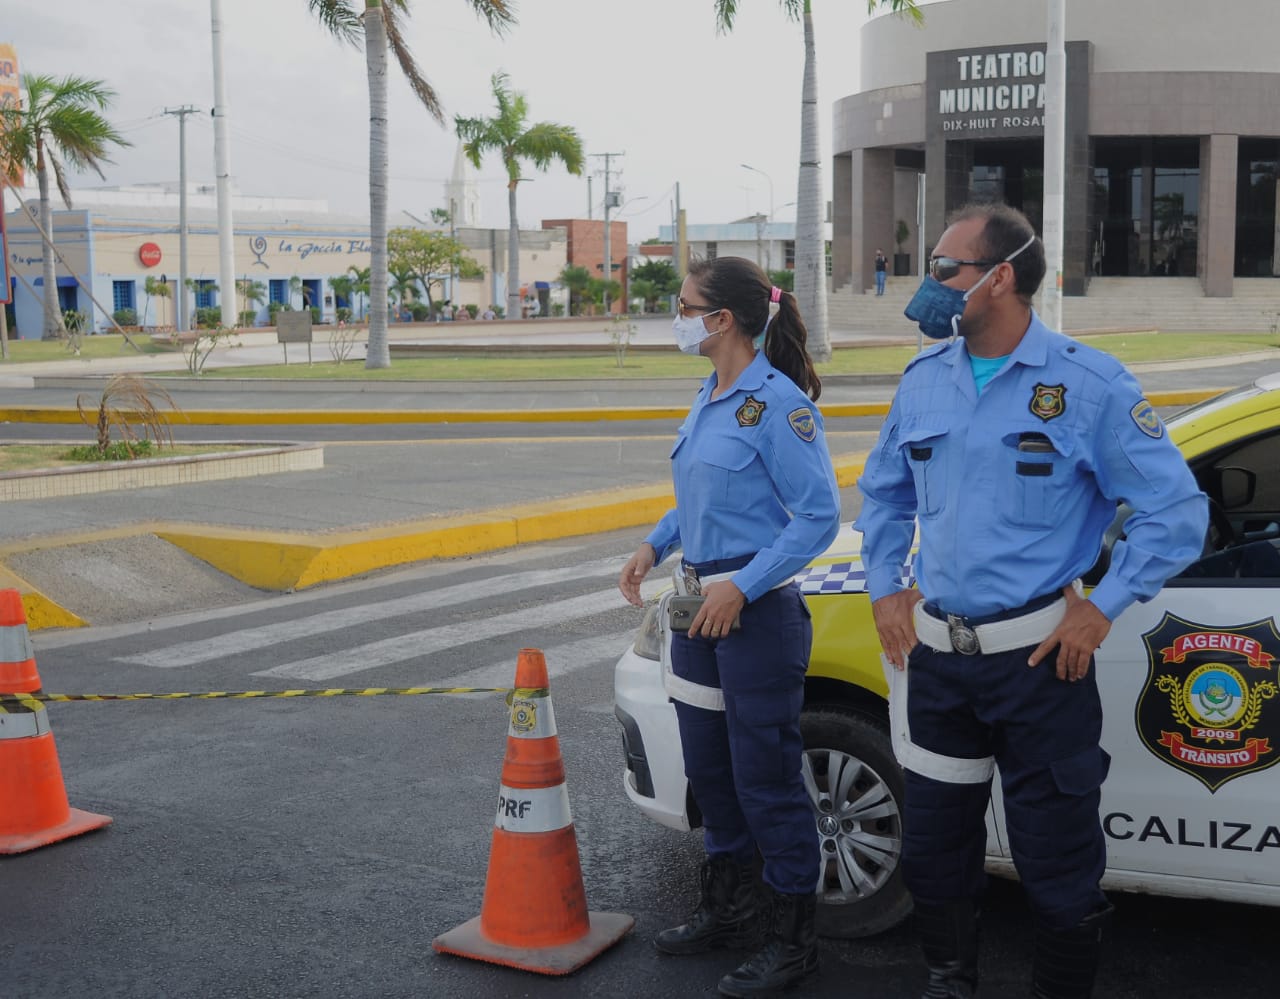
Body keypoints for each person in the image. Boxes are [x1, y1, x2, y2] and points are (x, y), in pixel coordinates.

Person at [855, 203, 1207, 999]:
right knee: (936, 857)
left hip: (1041, 665)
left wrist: (1104, 603)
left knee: (1056, 867)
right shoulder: (923, 382)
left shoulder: (1087, 385)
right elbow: (881, 497)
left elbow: (1176, 512)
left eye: (945, 267)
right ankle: (950, 983)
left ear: (1000, 276)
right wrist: (883, 585)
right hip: (939, 665)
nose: (929, 283)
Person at [619, 256, 840, 998]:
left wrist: (742, 586)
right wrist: (655, 542)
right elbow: (699, 499)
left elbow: (819, 517)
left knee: (766, 778)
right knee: (712, 772)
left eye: (684, 306)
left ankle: (791, 940)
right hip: (695, 611)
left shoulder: (778, 405)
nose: (675, 316)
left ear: (722, 320)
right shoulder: (709, 393)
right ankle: (731, 910)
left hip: (755, 615)